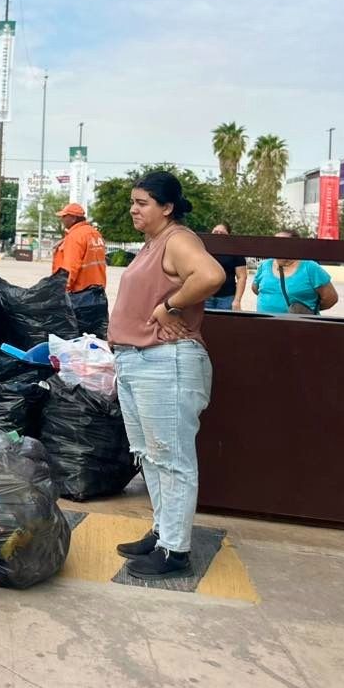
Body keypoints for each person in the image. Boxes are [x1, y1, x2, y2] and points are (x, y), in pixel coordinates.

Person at [108, 170, 224, 580]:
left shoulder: (178, 239)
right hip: (140, 361)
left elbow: (211, 275)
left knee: (171, 458)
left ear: (167, 208)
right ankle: (163, 533)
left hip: (166, 362)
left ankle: (175, 551)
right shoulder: (153, 243)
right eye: (133, 201)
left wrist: (170, 306)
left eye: (142, 203)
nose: (133, 209)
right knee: (151, 456)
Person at [250, 230, 338, 315]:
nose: (276, 247)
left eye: (281, 244)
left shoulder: (310, 267)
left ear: (295, 246)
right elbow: (255, 288)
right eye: (274, 243)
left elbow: (331, 298)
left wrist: (308, 310)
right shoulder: (265, 265)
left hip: (299, 327)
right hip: (265, 325)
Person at [51, 203, 106, 293]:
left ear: (73, 218)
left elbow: (70, 268)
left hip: (79, 293)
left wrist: (61, 291)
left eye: (64, 216)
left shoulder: (75, 236)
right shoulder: (95, 234)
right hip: (97, 291)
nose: (62, 219)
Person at [205, 223, 248, 311]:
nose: (218, 235)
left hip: (227, 297)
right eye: (216, 232)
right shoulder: (203, 248)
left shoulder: (235, 251)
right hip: (205, 295)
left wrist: (237, 300)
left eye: (222, 233)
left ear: (228, 235)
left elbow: (242, 277)